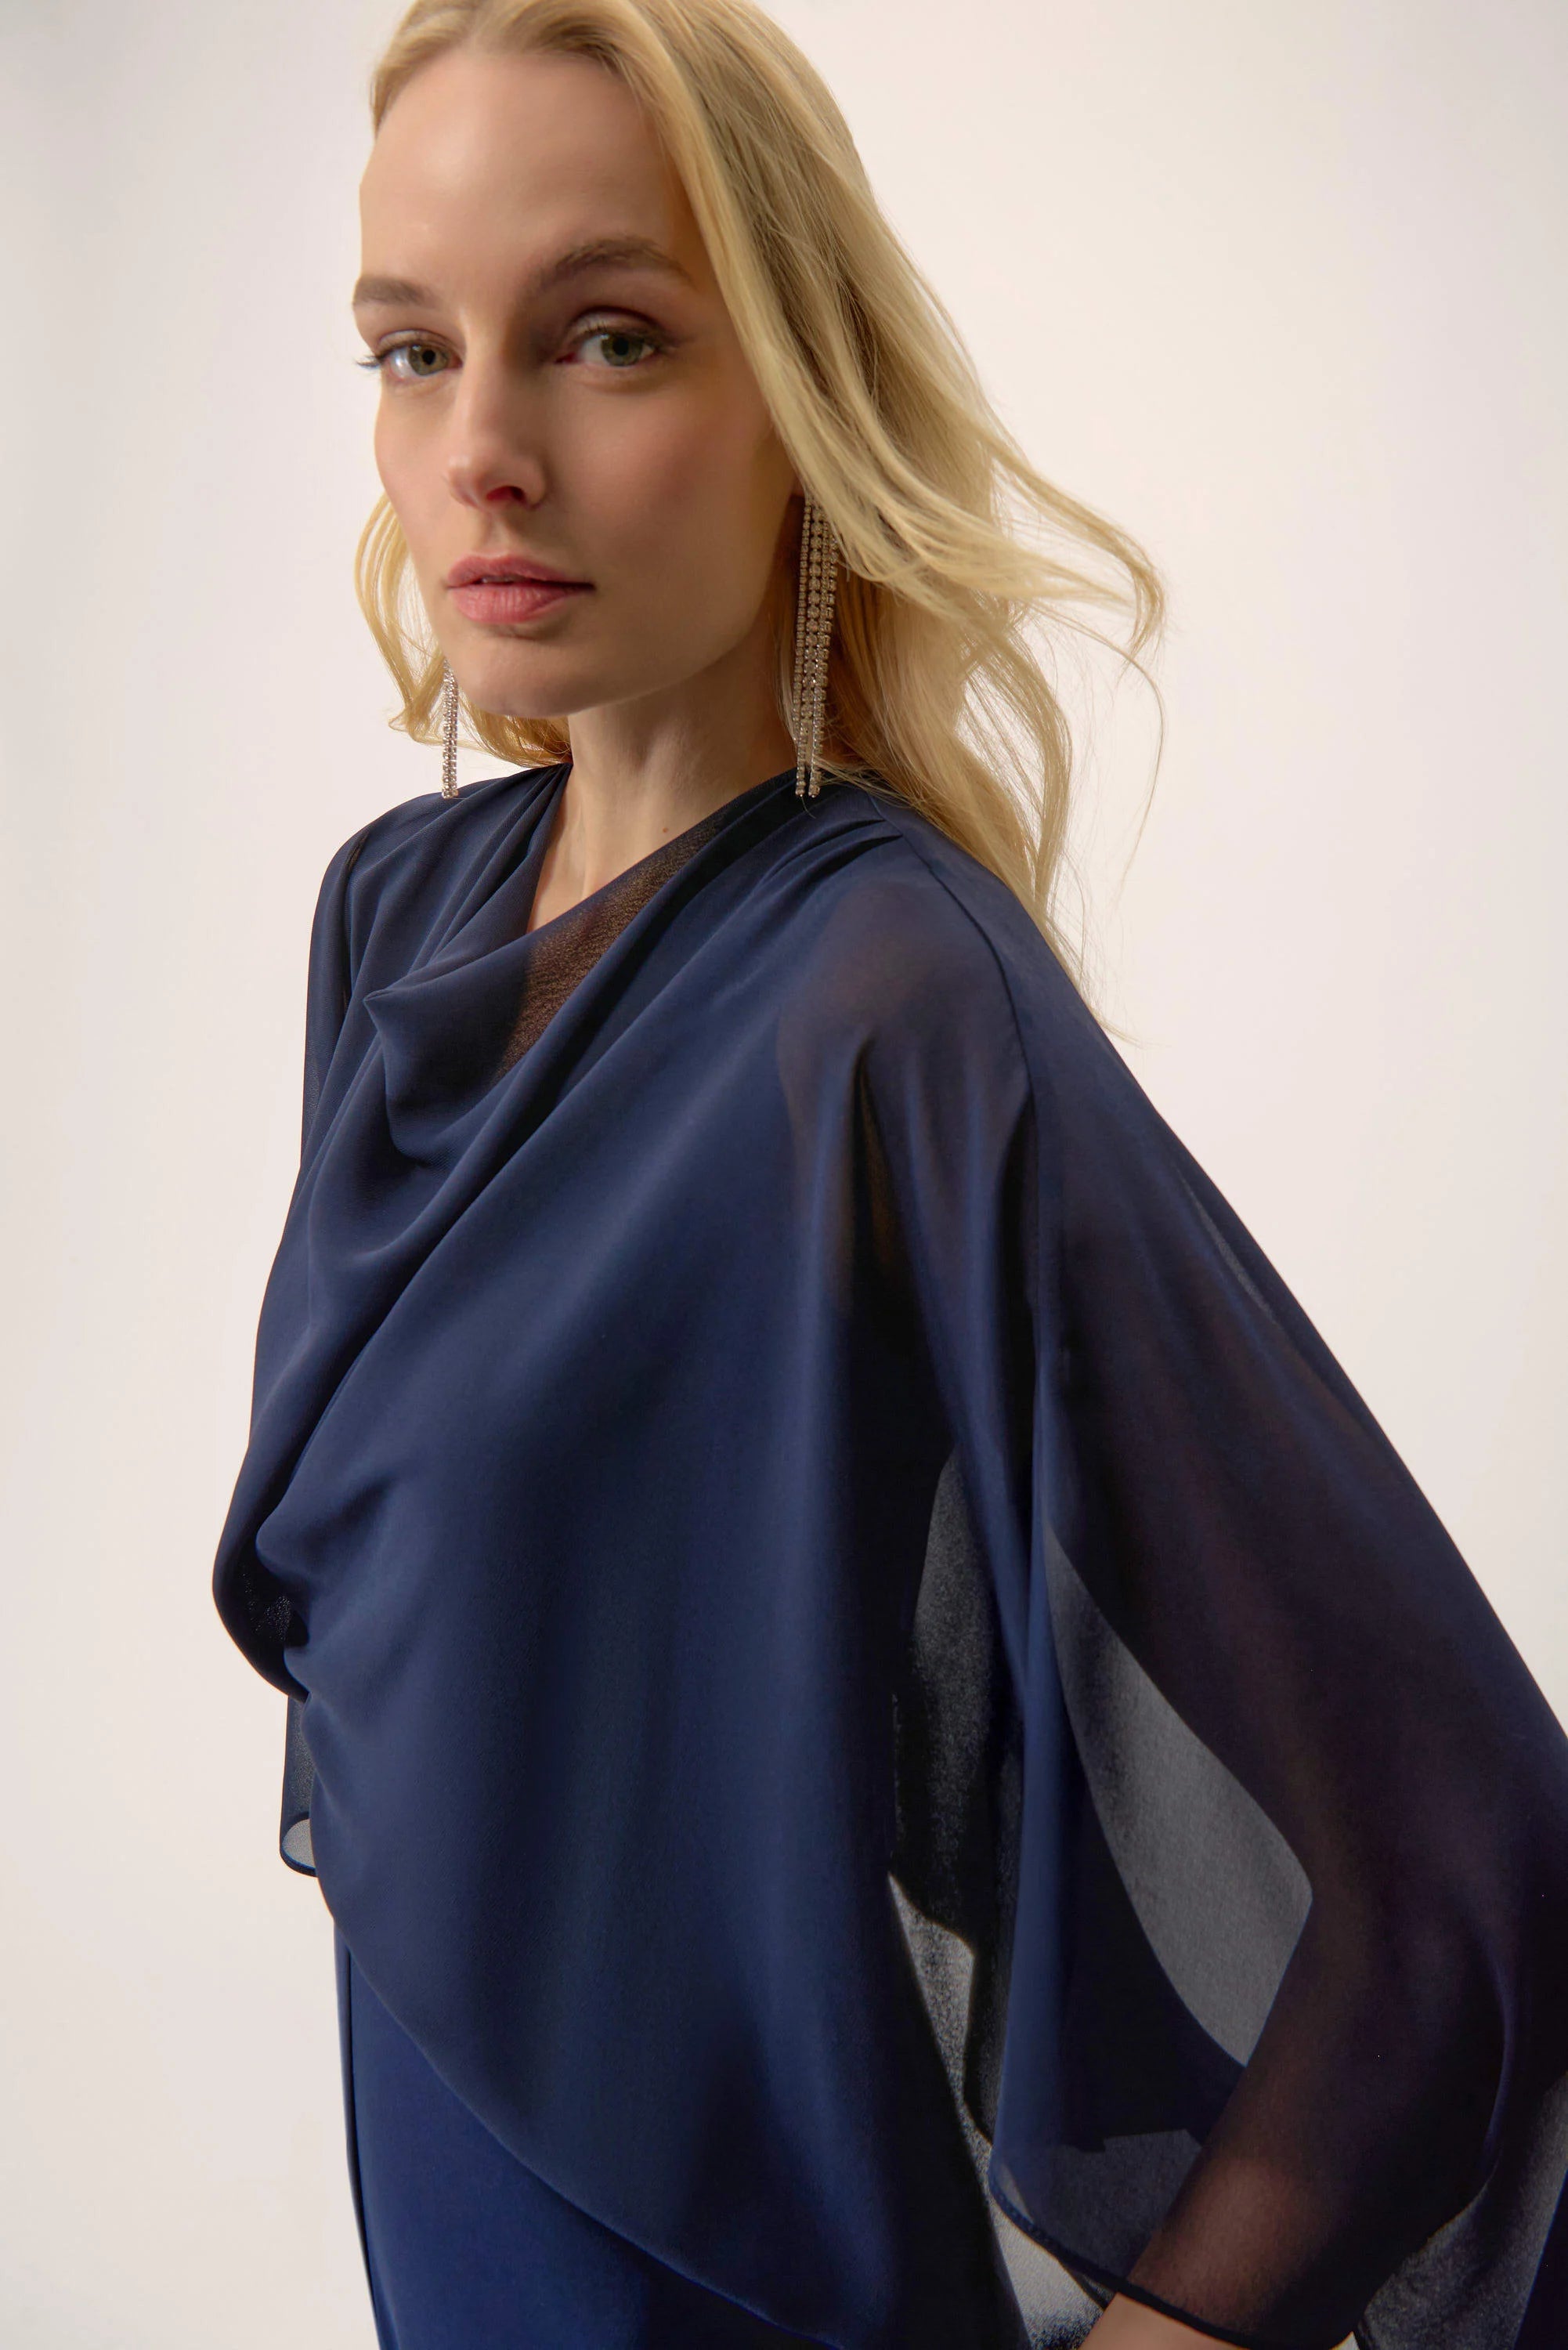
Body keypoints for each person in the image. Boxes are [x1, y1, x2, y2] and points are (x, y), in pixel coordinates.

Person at [211, 2, 1568, 2345]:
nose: (483, 456)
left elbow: (1449, 1870)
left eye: (607, 338)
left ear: (800, 393)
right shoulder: (392, 925)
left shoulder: (881, 1001)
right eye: (414, 352)